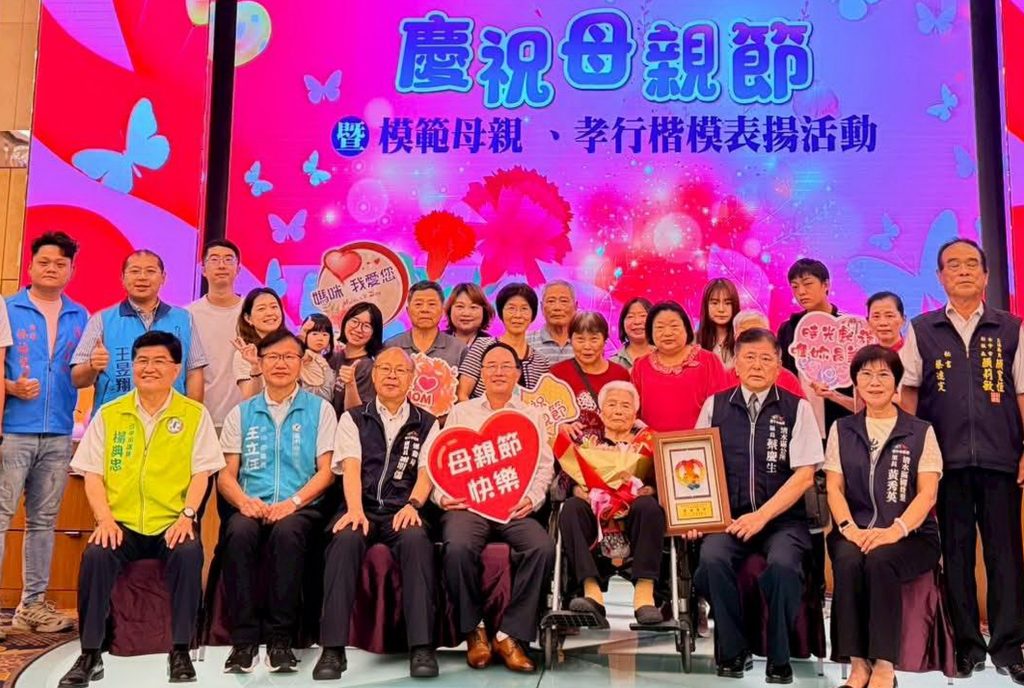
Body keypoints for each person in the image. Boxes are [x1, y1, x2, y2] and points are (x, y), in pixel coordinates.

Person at [59, 331, 224, 687]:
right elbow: (91, 473)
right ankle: (90, 653)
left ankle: (181, 650)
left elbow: (202, 473)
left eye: (159, 361)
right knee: (96, 555)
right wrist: (104, 519)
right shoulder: (110, 414)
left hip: (172, 522)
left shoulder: (194, 415)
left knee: (189, 552)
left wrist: (188, 516)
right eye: (142, 361)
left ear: (176, 369)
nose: (149, 368)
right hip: (121, 523)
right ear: (132, 366)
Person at [899, 238, 1024, 683]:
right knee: (955, 555)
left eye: (973, 264)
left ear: (987, 275)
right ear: (940, 277)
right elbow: (908, 392)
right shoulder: (922, 329)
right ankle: (967, 647)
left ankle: (1010, 647)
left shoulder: (1011, 328)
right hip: (944, 464)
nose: (964, 271)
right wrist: (913, 456)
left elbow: (1022, 392)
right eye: (954, 265)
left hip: (1000, 459)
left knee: (1005, 557)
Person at [693, 328, 823, 684]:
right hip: (730, 518)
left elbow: (804, 476)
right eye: (749, 357)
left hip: (783, 521)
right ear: (735, 364)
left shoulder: (797, 408)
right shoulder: (715, 406)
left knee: (783, 566)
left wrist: (762, 516)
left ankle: (779, 658)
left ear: (779, 365)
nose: (757, 365)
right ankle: (733, 651)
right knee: (712, 559)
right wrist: (697, 515)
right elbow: (697, 465)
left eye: (766, 358)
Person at [427, 342, 556, 673]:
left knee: (542, 547)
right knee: (457, 547)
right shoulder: (462, 412)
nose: (498, 372)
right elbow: (440, 460)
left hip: (513, 506)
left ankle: (509, 634)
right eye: (491, 366)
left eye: (506, 366)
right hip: (468, 506)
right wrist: (442, 497)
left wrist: (533, 499)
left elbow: (544, 466)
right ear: (481, 373)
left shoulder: (531, 415)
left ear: (518, 374)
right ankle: (475, 631)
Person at [216, 330, 337, 674]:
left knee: (287, 533)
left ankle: (281, 640)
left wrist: (293, 502)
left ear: (301, 363)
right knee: (239, 532)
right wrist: (243, 501)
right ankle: (243, 643)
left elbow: (327, 472)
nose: (280, 364)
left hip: (301, 506)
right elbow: (225, 476)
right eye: (272, 357)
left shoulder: (320, 410)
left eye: (288, 357)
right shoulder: (242, 413)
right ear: (260, 362)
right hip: (252, 503)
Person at [315, 347, 439, 681]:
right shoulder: (354, 418)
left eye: (400, 370)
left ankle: (422, 646)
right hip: (362, 505)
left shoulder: (427, 422)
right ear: (373, 374)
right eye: (385, 368)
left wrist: (413, 505)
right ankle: (332, 649)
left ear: (412, 378)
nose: (392, 376)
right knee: (344, 542)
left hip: (404, 508)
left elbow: (426, 472)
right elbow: (351, 467)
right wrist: (355, 509)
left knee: (416, 541)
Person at [825, 345, 942, 688]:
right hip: (855, 530)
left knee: (880, 560)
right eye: (866, 375)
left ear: (896, 383)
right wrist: (848, 528)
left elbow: (928, 493)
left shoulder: (920, 431)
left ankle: (884, 666)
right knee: (848, 560)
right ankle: (858, 664)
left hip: (912, 536)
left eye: (883, 375)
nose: (874, 382)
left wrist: (896, 530)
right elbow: (834, 487)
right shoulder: (842, 429)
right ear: (855, 383)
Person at [1, 232, 86, 637]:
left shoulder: (79, 315)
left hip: (58, 431)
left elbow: (82, 371)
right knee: (1, 517)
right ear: (30, 266)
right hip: (13, 430)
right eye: (45, 262)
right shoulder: (7, 308)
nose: (52, 269)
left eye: (60, 264)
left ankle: (31, 605)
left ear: (71, 270)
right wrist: (10, 387)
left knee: (43, 522)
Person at [555, 381, 665, 625]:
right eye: (612, 405)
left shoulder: (648, 442)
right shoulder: (584, 441)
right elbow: (563, 480)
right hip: (594, 515)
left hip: (634, 518)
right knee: (571, 508)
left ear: (635, 414)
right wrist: (577, 489)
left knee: (649, 506)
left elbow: (665, 480)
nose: (618, 411)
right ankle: (591, 592)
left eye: (625, 406)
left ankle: (645, 594)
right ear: (601, 412)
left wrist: (651, 489)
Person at [71, 249, 207, 413]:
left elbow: (194, 372)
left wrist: (191, 416)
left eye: (150, 271)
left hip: (171, 418)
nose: (142, 277)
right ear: (122, 278)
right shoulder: (101, 320)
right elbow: (77, 379)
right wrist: (92, 366)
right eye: (135, 271)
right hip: (116, 418)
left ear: (163, 277)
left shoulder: (184, 319)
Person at [776, 258, 850, 438]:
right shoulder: (788, 328)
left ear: (826, 285)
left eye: (808, 284)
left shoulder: (847, 326)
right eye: (795, 287)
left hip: (841, 420)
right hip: (799, 421)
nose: (801, 292)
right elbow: (782, 373)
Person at [631, 301, 730, 432]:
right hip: (651, 442)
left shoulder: (708, 361)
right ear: (650, 332)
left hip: (700, 441)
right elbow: (632, 411)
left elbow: (722, 408)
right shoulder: (641, 366)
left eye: (674, 326)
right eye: (659, 327)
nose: (667, 333)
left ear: (687, 329)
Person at [812, 292, 906, 414]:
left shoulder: (914, 356)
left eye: (889, 316)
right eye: (876, 316)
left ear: (903, 319)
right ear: (868, 321)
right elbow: (861, 410)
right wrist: (834, 396)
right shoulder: (862, 359)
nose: (883, 322)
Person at [458, 283, 551, 400]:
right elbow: (462, 393)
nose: (518, 315)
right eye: (511, 308)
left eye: (524, 309)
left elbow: (541, 402)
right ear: (501, 312)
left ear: (533, 314)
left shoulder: (541, 361)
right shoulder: (481, 346)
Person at [187, 239, 243, 433]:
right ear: (203, 269)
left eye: (228, 259)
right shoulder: (188, 315)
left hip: (245, 419)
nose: (221, 265)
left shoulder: (253, 312)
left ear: (238, 269)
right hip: (201, 419)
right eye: (214, 259)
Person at [550, 311, 630, 436]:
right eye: (580, 339)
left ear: (605, 341)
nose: (587, 346)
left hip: (613, 446)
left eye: (594, 339)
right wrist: (559, 426)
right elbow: (544, 415)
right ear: (570, 340)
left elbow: (630, 415)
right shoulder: (556, 374)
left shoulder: (620, 375)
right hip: (570, 446)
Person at [384, 280, 466, 370]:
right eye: (418, 304)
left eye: (432, 304)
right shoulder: (391, 346)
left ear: (443, 310)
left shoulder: (459, 349)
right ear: (408, 311)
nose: (425, 309)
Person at [731, 310, 805, 399]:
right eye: (745, 335)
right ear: (735, 338)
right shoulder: (723, 378)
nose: (752, 341)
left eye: (758, 334)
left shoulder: (788, 379)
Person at [329, 302, 383, 415]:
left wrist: (350, 384)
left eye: (366, 326)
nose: (358, 329)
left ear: (374, 333)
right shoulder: (334, 357)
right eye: (354, 321)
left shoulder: (368, 367)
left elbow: (359, 415)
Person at [527, 280, 577, 364]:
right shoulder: (526, 342)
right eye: (551, 301)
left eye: (564, 301)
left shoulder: (585, 344)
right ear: (542, 307)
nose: (557, 308)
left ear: (575, 306)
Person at [698, 278, 741, 369]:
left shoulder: (744, 339)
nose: (721, 309)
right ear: (706, 306)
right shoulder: (693, 341)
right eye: (714, 303)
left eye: (728, 303)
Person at [297, 314, 337, 402]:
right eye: (314, 334)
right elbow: (297, 353)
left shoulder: (325, 360)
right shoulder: (308, 356)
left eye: (325, 334)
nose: (320, 338)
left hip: (325, 406)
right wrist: (303, 332)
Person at [445, 282, 494, 348]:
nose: (466, 313)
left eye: (473, 307)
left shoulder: (491, 345)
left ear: (484, 312)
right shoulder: (437, 340)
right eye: (460, 306)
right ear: (450, 310)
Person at [611, 297, 652, 370]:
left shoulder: (666, 356)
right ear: (622, 323)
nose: (637, 322)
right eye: (630, 316)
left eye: (643, 315)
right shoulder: (613, 364)